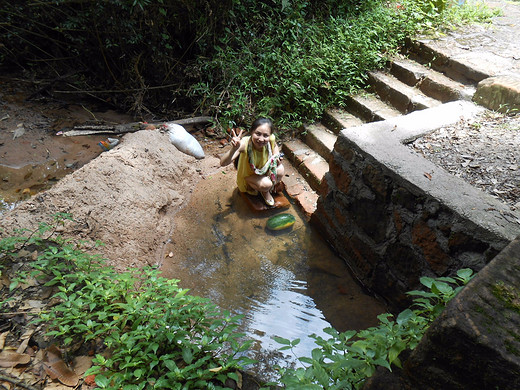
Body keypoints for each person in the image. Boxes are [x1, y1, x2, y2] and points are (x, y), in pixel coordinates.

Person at [220, 117, 284, 206]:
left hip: (263, 171)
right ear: (251, 132)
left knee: (280, 169)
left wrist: (276, 156)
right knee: (266, 184)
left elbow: (275, 146)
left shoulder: (270, 139)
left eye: (265, 135)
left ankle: (265, 187)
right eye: (258, 134)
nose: (261, 139)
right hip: (249, 176)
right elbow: (223, 163)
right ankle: (264, 190)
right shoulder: (244, 144)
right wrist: (234, 149)